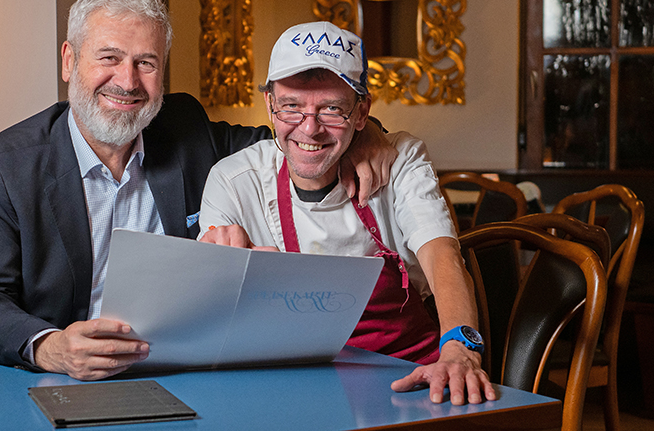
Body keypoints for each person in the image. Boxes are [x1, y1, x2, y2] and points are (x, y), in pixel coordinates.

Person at [0, 0, 395, 381]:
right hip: (48, 381)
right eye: (109, 58)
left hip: (184, 373)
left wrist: (365, 133)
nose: (127, 81)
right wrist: (49, 348)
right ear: (69, 61)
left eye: (146, 62)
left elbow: (296, 136)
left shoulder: (185, 127)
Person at [197, 21, 497, 405]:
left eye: (331, 109)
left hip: (412, 380)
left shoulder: (402, 160)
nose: (310, 129)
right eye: (291, 106)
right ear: (270, 104)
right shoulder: (234, 180)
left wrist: (460, 351)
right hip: (293, 389)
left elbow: (443, 257)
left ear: (361, 112)